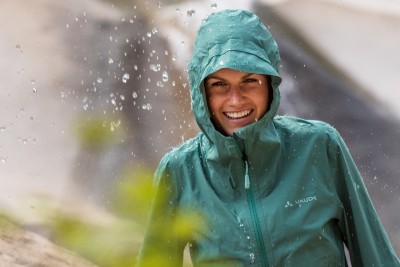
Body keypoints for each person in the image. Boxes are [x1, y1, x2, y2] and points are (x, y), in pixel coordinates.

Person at [136, 9, 400, 266]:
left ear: (270, 84)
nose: (235, 99)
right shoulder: (180, 171)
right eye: (219, 85)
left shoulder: (320, 146)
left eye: (249, 81)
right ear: (200, 90)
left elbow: (375, 256)